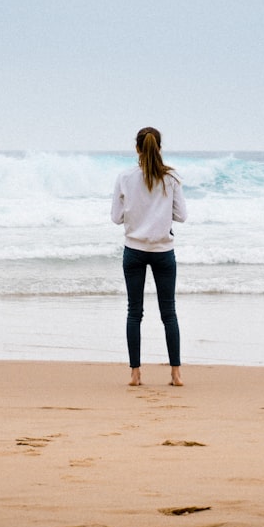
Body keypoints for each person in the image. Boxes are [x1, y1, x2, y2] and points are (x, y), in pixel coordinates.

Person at [111, 127, 187, 387]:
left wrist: (137, 215)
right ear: (159, 147)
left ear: (137, 149)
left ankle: (135, 373)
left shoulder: (125, 177)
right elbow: (182, 215)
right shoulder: (171, 177)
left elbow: (116, 217)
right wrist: (159, 214)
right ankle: (176, 374)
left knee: (134, 313)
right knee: (169, 313)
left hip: (133, 250)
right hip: (163, 251)